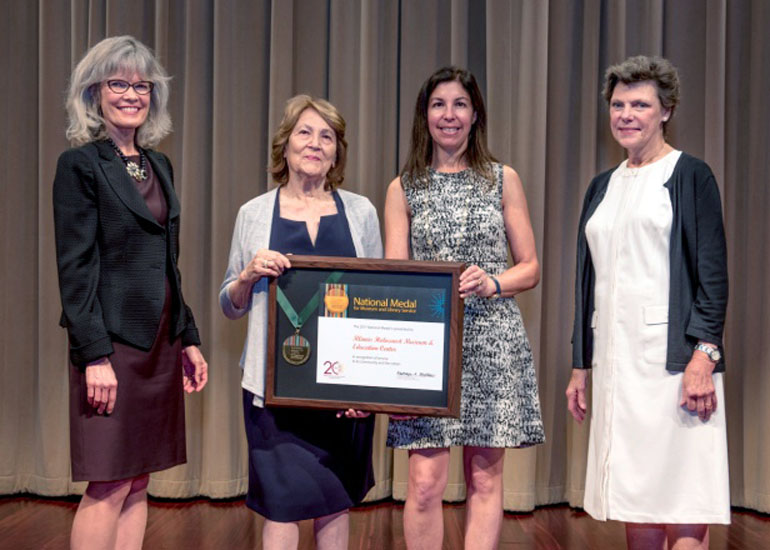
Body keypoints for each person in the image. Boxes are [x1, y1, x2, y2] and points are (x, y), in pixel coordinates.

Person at [565, 55, 730, 550]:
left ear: (666, 111)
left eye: (640, 104)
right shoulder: (603, 185)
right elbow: (586, 283)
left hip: (674, 368)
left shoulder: (689, 175)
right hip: (617, 368)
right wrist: (580, 366)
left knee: (681, 502)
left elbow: (713, 277)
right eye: (618, 104)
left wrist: (705, 355)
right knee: (634, 504)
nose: (626, 114)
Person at [52, 36, 208, 550]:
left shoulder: (157, 164)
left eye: (141, 85)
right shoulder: (79, 166)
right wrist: (93, 355)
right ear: (95, 92)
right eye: (119, 83)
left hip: (159, 343)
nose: (131, 94)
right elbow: (75, 270)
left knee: (140, 477)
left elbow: (168, 261)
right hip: (111, 344)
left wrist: (187, 337)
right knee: (110, 480)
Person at [385, 66, 545, 550]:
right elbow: (395, 279)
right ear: (425, 115)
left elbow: (531, 268)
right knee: (424, 484)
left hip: (493, 342)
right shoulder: (403, 187)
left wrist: (493, 281)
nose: (449, 115)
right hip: (426, 348)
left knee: (485, 481)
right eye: (438, 104)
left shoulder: (501, 179)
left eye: (459, 104)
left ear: (475, 115)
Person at [219, 94, 382, 549]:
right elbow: (230, 304)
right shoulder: (252, 214)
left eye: (326, 136)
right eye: (305, 133)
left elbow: (377, 303)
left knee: (334, 501)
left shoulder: (362, 213)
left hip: (342, 389)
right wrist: (248, 276)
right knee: (282, 505)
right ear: (285, 146)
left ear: (337, 152)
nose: (315, 144)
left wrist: (367, 388)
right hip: (274, 390)